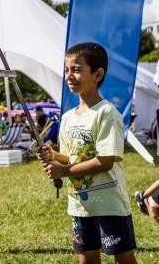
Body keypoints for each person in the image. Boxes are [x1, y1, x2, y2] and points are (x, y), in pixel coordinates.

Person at [38, 42, 137, 264]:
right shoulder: (68, 117)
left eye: (77, 69)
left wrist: (63, 170)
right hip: (80, 203)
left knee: (121, 255)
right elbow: (70, 157)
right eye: (66, 70)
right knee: (87, 254)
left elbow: (105, 161)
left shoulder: (106, 113)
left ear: (97, 74)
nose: (69, 75)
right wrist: (52, 155)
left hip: (108, 203)